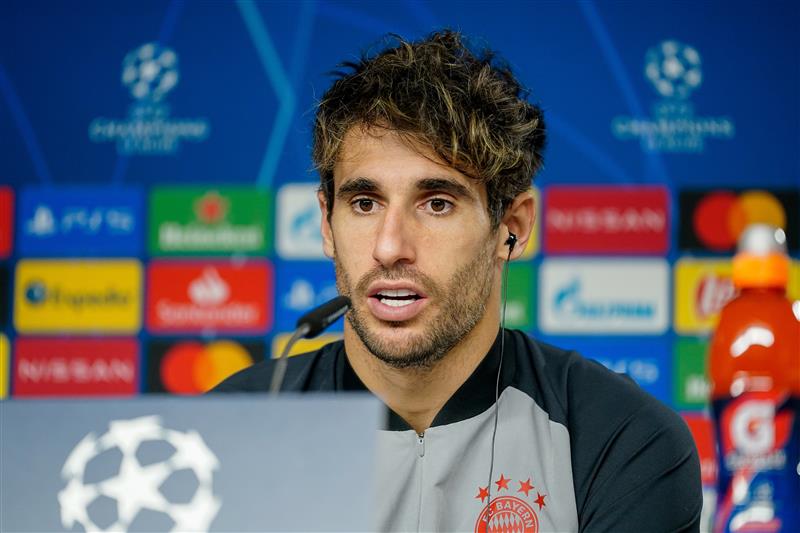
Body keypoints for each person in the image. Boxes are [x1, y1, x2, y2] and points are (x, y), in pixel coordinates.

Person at [214, 30, 702, 532]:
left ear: (511, 227)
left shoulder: (621, 438)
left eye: (437, 204)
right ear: (326, 223)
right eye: (364, 203)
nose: (389, 246)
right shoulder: (228, 431)